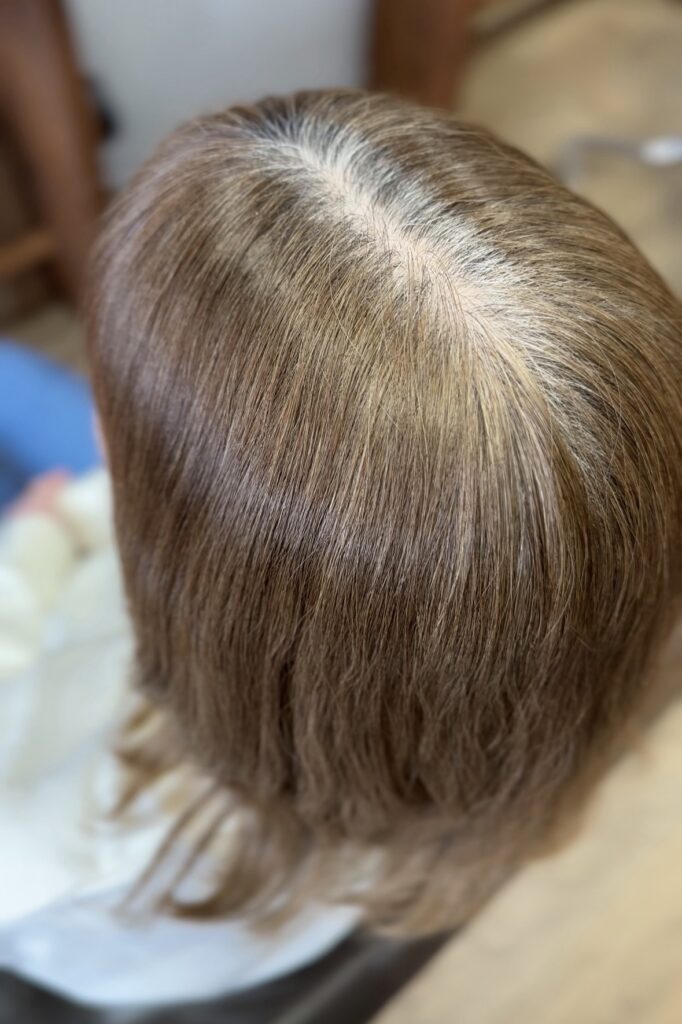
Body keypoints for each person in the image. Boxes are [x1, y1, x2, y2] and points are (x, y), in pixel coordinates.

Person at [2, 89, 680, 1007]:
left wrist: (39, 544)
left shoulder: (49, 828)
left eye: (111, 410)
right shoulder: (543, 706)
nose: (98, 416)